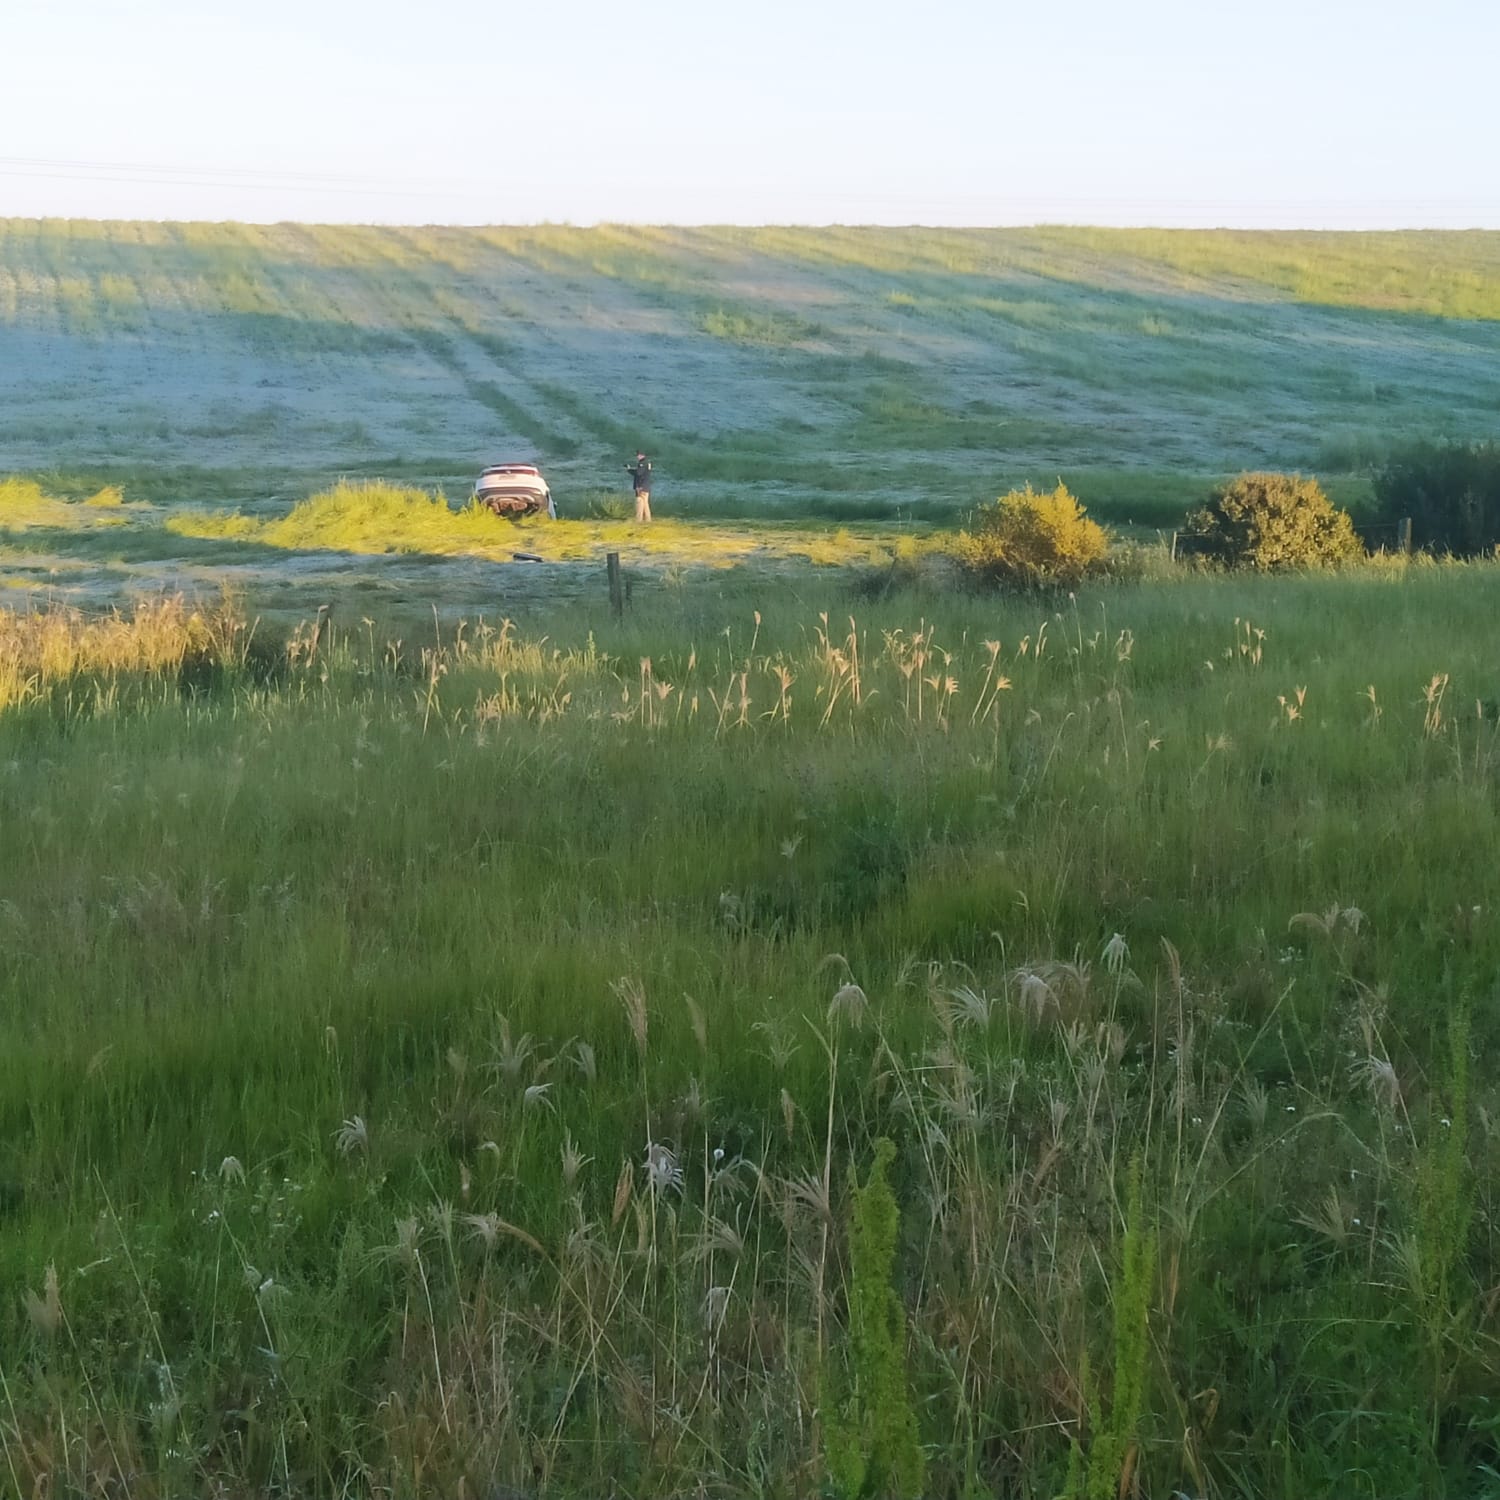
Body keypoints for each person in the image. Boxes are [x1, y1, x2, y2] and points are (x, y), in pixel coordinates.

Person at [625, 451, 653, 523]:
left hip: (641, 487)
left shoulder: (642, 463)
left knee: (639, 503)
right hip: (646, 486)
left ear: (641, 455)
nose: (637, 456)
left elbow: (638, 473)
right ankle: (648, 519)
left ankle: (638, 520)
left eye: (638, 455)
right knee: (645, 504)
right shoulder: (648, 462)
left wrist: (629, 469)